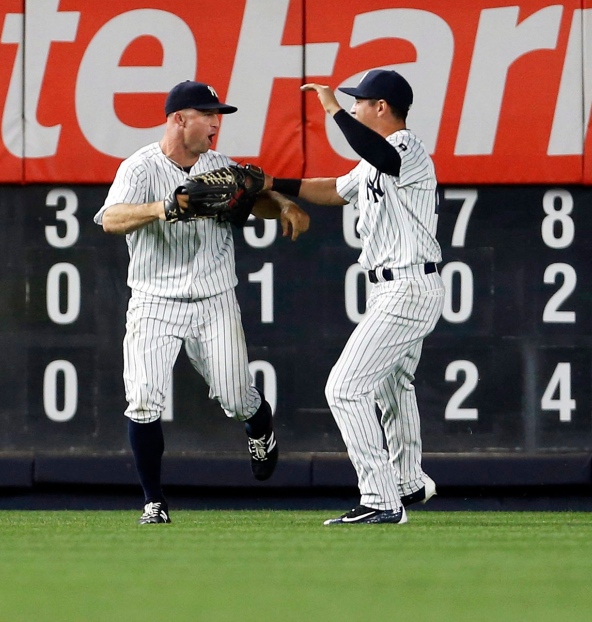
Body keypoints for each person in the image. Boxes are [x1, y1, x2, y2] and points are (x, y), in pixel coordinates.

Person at [94, 80, 310, 525]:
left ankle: (259, 424)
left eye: (219, 115)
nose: (216, 123)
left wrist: (283, 205)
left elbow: (257, 198)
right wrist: (164, 207)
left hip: (214, 299)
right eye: (208, 114)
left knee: (235, 397)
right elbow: (110, 220)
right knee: (143, 400)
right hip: (154, 300)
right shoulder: (140, 168)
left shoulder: (219, 166)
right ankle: (154, 501)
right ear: (179, 119)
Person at [264, 70, 443, 525]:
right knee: (392, 386)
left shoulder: (407, 148)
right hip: (394, 287)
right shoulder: (373, 163)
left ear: (380, 107)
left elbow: (377, 151)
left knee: (344, 388)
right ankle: (407, 482)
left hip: (407, 285)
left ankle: (381, 499)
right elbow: (333, 190)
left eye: (360, 101)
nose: (354, 106)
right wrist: (271, 183)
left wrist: (332, 110)